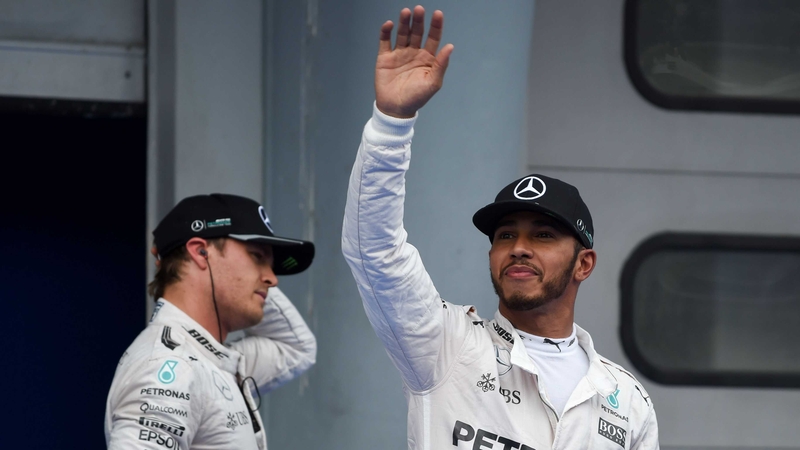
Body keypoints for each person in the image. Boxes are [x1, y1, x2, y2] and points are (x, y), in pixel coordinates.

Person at [341, 6, 659, 449]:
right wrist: (391, 123)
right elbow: (374, 251)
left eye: (543, 235)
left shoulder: (627, 401)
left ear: (584, 263)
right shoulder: (445, 346)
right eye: (506, 235)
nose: (519, 247)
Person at [106, 193, 316, 449]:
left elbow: (297, 348)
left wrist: (252, 284)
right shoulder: (170, 365)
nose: (273, 279)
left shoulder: (208, 358)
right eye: (257, 256)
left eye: (271, 265)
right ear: (201, 251)